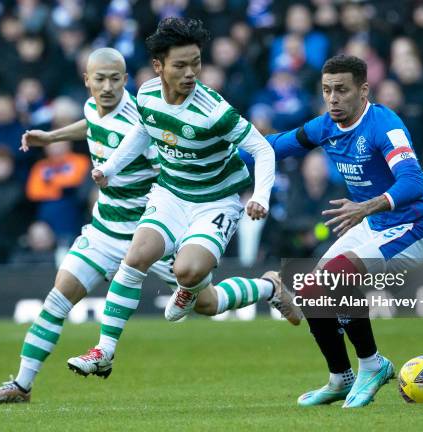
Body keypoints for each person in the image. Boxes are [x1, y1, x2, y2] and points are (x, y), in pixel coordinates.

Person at [67, 18, 302, 378]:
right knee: (136, 257)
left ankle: (269, 286)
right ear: (159, 66)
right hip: (172, 193)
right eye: (181, 64)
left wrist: (261, 196)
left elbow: (262, 149)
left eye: (196, 63)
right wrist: (110, 168)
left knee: (190, 276)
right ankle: (104, 351)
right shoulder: (145, 93)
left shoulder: (212, 111)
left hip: (216, 201)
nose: (191, 72)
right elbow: (143, 130)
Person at [0, 47, 177, 404]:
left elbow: (169, 171)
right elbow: (92, 122)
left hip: (145, 236)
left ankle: (268, 287)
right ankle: (21, 386)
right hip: (102, 231)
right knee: (57, 299)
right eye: (99, 79)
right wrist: (51, 137)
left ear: (126, 81)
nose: (107, 86)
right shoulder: (90, 106)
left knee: (206, 301)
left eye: (115, 79)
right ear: (86, 80)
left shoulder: (139, 124)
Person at [249, 55, 423, 408]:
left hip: (416, 227)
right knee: (311, 293)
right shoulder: (325, 127)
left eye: (341, 89)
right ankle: (340, 377)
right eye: (326, 90)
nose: (333, 98)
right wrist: (224, 149)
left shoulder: (385, 125)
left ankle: (373, 364)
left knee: (339, 276)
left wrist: (367, 206)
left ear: (363, 89)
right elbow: (273, 148)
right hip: (374, 224)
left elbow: (413, 183)